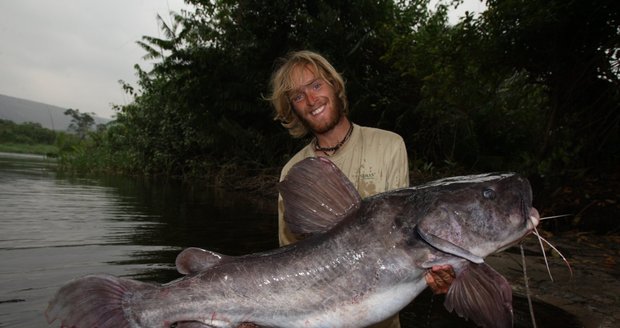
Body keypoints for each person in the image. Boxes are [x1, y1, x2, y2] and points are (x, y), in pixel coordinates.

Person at [268, 50, 453, 328]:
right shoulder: (293, 171)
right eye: (297, 96)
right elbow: (290, 261)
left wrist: (441, 275)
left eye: (316, 85)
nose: (310, 100)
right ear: (292, 109)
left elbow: (404, 242)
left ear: (334, 85)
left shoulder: (389, 146)